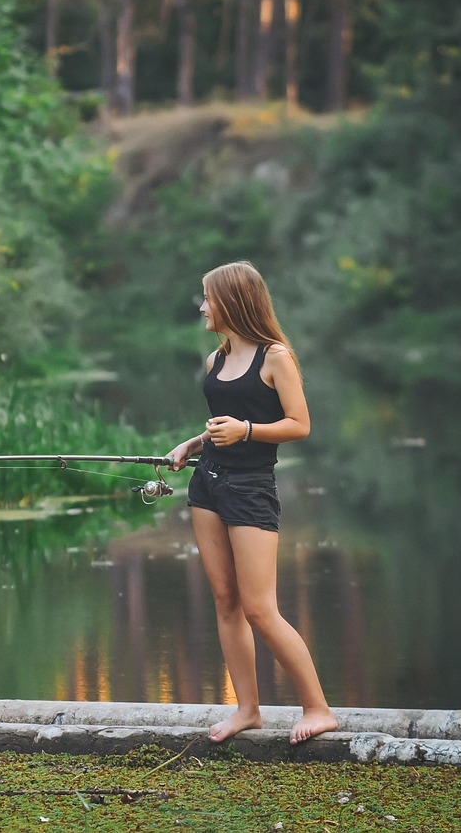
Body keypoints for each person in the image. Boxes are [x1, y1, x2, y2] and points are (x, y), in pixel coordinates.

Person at [166, 260, 338, 745]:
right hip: (207, 485)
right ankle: (248, 710)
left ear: (233, 301)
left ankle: (318, 708)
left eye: (208, 298)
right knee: (226, 601)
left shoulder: (275, 356)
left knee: (260, 608)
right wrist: (193, 444)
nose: (203, 307)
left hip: (251, 487)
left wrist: (246, 431)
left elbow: (299, 424)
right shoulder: (215, 360)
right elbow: (222, 424)